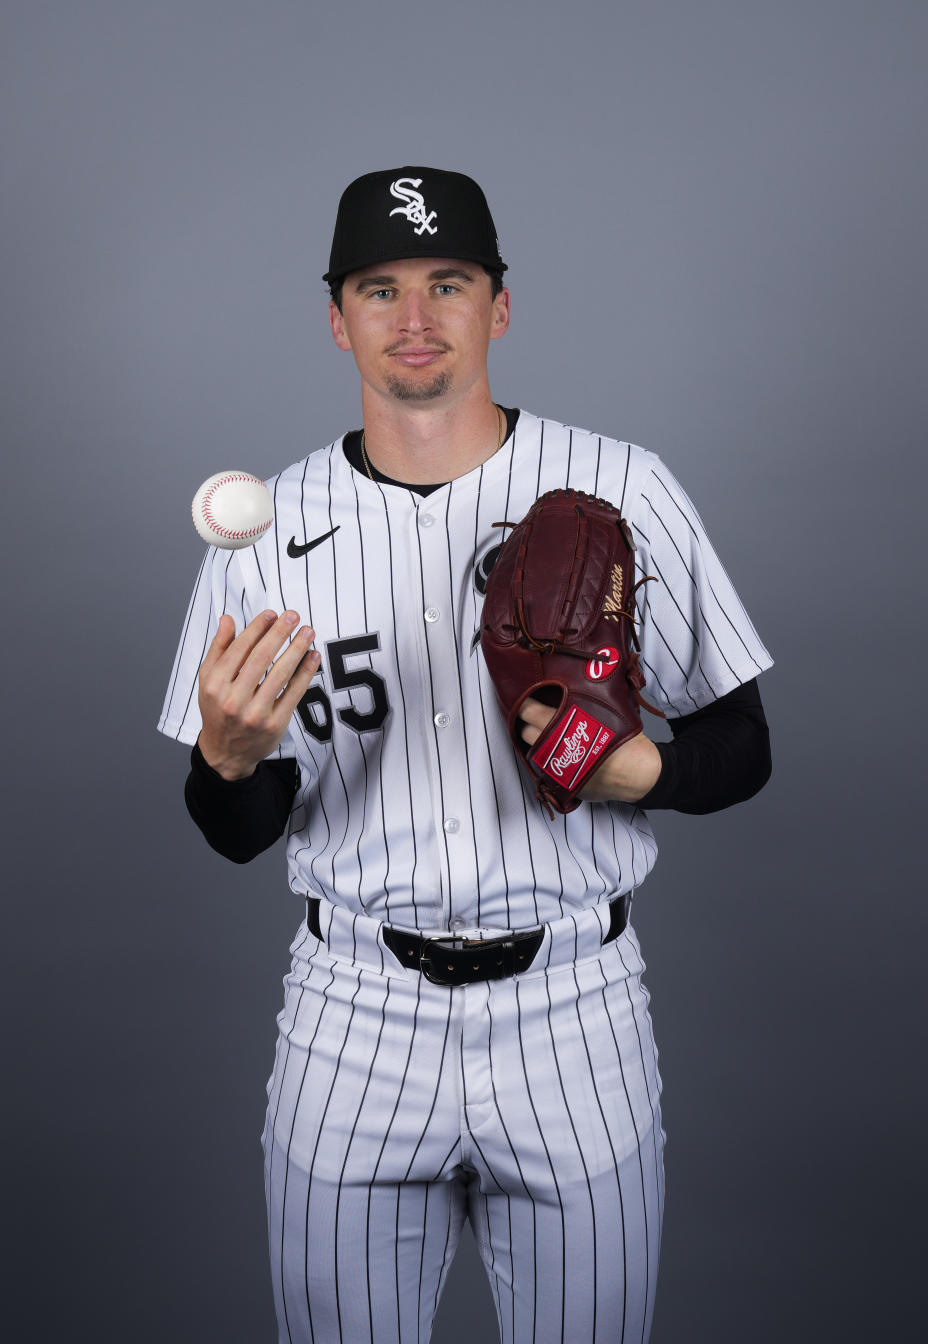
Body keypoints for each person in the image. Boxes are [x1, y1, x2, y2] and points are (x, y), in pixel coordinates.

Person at [158, 166, 773, 1344]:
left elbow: (744, 747)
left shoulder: (625, 488)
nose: (417, 318)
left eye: (450, 281)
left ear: (501, 305)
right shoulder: (264, 535)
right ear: (337, 319)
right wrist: (227, 763)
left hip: (576, 1012)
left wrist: (645, 773)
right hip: (352, 1017)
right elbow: (236, 829)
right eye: (379, 289)